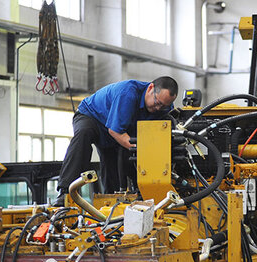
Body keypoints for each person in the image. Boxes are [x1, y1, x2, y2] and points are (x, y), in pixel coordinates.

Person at [53, 76, 178, 206]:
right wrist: (142, 150)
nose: (158, 108)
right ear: (150, 88)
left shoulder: (165, 108)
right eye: (157, 102)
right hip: (93, 117)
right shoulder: (127, 94)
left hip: (121, 129)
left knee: (115, 168)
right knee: (84, 135)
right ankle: (65, 192)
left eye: (164, 106)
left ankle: (115, 203)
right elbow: (115, 131)